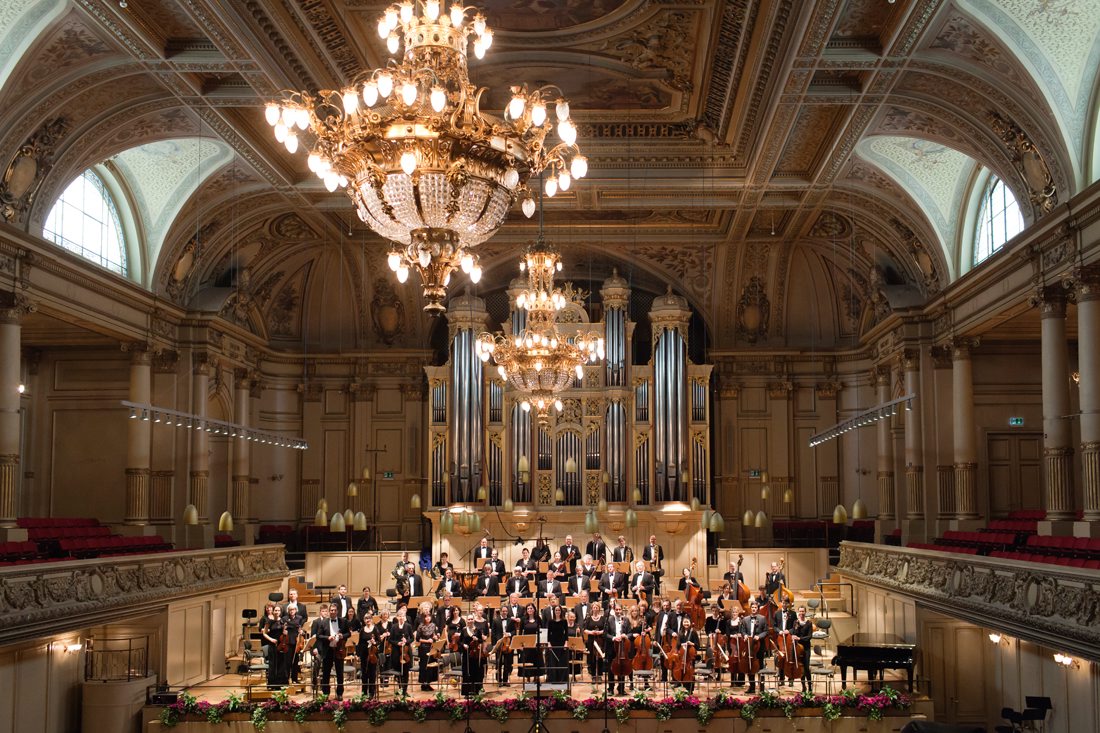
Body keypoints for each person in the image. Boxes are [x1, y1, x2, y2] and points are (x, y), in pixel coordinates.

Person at [317, 602, 349, 698]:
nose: (333, 612)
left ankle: (339, 694)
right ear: (329, 611)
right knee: (326, 673)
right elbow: (318, 635)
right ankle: (326, 693)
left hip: (339, 650)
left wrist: (342, 635)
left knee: (340, 673)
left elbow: (349, 633)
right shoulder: (323, 622)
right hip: (328, 650)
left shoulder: (343, 621)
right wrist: (327, 637)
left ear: (337, 611)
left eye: (335, 610)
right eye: (331, 610)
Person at [739, 601, 769, 693]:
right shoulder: (745, 619)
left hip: (759, 646)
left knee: (760, 666)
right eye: (752, 607)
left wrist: (759, 636)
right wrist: (744, 635)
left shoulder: (763, 618)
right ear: (750, 608)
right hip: (749, 646)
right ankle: (752, 687)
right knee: (749, 667)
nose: (754, 609)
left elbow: (766, 631)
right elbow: (742, 630)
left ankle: (762, 688)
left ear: (758, 609)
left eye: (755, 607)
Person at [352, 610, 381, 697]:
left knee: (372, 674)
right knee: (364, 674)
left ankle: (371, 692)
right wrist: (358, 654)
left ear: (372, 619)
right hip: (364, 654)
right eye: (366, 618)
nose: (367, 620)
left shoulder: (375, 629)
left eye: (369, 618)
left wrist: (374, 642)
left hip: (373, 654)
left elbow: (379, 641)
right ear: (364, 620)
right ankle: (364, 692)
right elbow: (360, 643)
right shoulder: (362, 630)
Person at [388, 607, 414, 696]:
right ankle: (400, 689)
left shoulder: (408, 626)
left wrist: (406, 641)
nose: (401, 617)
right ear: (397, 617)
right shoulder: (394, 627)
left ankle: (405, 690)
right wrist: (397, 643)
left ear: (405, 617)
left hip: (406, 652)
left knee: (405, 671)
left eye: (403, 616)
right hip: (396, 651)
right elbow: (390, 640)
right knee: (398, 671)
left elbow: (412, 638)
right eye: (399, 616)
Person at [605, 603, 630, 695]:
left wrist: (625, 635)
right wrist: (613, 638)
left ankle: (621, 688)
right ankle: (610, 688)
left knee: (622, 667)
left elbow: (630, 633)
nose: (618, 611)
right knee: (611, 668)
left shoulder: (626, 620)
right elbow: (605, 634)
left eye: (620, 610)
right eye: (617, 610)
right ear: (614, 610)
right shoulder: (609, 619)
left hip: (623, 647)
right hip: (612, 647)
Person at [460, 614, 486, 696]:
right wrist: (464, 645)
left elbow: (482, 641)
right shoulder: (463, 630)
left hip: (475, 655)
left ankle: (475, 691)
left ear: (473, 620)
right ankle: (466, 693)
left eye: (471, 619)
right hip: (466, 654)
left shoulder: (477, 630)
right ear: (467, 621)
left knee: (475, 672)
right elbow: (460, 641)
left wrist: (477, 639)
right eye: (469, 619)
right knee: (467, 672)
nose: (470, 621)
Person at [260, 605, 286, 687]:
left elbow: (285, 633)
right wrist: (271, 639)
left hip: (281, 645)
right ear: (273, 611)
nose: (277, 612)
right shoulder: (269, 621)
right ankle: (272, 684)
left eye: (278, 611)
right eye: (276, 610)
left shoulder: (283, 622)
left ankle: (280, 683)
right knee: (272, 664)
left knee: (281, 664)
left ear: (280, 612)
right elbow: (264, 633)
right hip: (272, 644)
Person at [673, 617, 700, 694]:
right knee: (682, 671)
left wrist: (692, 644)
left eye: (687, 622)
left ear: (690, 623)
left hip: (690, 657)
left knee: (690, 673)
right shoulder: (680, 632)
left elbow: (698, 645)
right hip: (682, 656)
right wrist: (682, 645)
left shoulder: (693, 632)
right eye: (684, 622)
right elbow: (678, 645)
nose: (686, 624)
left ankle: (690, 690)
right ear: (682, 623)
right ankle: (683, 688)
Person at [416, 605, 439, 691]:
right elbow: (418, 639)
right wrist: (427, 641)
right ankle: (423, 684)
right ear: (423, 618)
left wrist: (435, 638)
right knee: (424, 666)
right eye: (426, 617)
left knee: (431, 666)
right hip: (423, 648)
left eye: (429, 616)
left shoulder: (433, 625)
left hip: (431, 648)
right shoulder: (421, 626)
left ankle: (428, 683)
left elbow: (435, 635)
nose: (428, 618)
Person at [583, 601, 607, 683]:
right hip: (591, 640)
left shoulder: (603, 618)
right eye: (594, 607)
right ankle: (593, 675)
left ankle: (599, 675)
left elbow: (606, 629)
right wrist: (591, 632)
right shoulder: (588, 618)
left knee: (600, 657)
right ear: (592, 609)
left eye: (597, 607)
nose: (595, 609)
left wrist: (600, 632)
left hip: (600, 640)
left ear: (599, 609)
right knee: (592, 658)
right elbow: (585, 629)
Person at [546, 603, 569, 683]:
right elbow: (548, 633)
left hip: (562, 643)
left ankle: (562, 680)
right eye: (556, 610)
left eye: (559, 610)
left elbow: (566, 633)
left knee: (562, 661)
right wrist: (549, 643)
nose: (557, 611)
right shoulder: (550, 621)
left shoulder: (564, 621)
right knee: (553, 662)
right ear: (554, 611)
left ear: (561, 611)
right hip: (553, 643)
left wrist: (566, 643)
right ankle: (554, 679)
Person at [492, 606, 515, 686]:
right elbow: (493, 633)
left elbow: (514, 631)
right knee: (498, 663)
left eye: (506, 611)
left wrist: (509, 634)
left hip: (507, 644)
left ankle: (505, 680)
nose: (505, 612)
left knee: (507, 663)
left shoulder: (510, 620)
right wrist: (494, 644)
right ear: (500, 611)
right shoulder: (495, 620)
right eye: (503, 611)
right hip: (499, 644)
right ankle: (499, 680)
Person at [282, 604, 305, 684]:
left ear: (296, 610)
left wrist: (302, 631)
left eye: (293, 609)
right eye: (290, 610)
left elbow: (301, 628)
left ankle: (294, 679)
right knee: (287, 662)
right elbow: (285, 627)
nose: (292, 611)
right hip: (288, 641)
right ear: (288, 610)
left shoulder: (299, 618)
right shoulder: (284, 618)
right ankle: (286, 679)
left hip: (296, 641)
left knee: (295, 662)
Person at [793, 606, 814, 693]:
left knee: (806, 667)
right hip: (798, 648)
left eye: (803, 611)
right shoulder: (796, 622)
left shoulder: (809, 623)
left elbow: (809, 637)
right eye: (800, 611)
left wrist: (799, 639)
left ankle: (809, 686)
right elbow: (794, 633)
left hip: (806, 648)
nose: (801, 613)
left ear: (805, 612)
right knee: (801, 667)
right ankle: (803, 686)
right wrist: (796, 628)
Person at [519, 603, 541, 679]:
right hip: (527, 643)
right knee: (528, 660)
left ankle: (536, 676)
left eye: (531, 608)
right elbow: (520, 632)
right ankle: (528, 676)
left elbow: (542, 630)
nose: (529, 610)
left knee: (536, 659)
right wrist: (520, 644)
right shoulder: (523, 619)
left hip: (536, 643)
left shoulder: (538, 619)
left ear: (534, 609)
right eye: (528, 608)